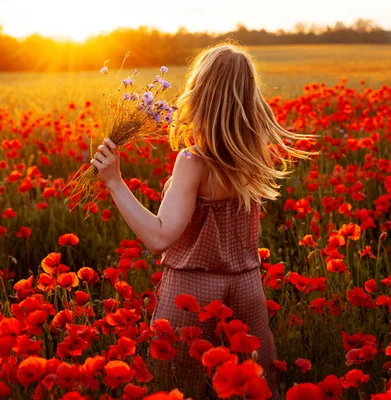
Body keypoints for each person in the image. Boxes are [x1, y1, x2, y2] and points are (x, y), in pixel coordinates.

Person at [90, 40, 319, 400]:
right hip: (246, 291)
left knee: (181, 391)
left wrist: (114, 182)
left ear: (200, 95)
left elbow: (159, 237)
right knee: (252, 390)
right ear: (248, 98)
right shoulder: (253, 157)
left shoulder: (193, 162)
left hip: (193, 296)